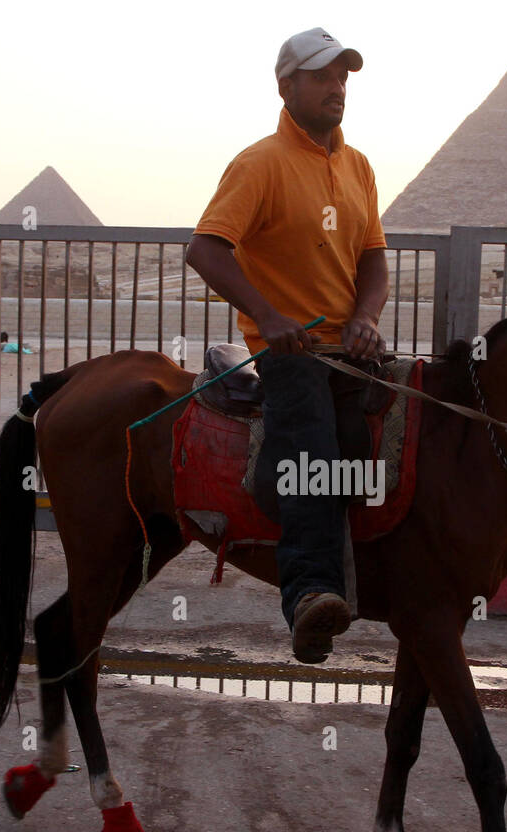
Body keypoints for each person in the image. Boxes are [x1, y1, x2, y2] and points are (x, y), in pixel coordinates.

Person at [185, 27, 389, 663]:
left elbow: (374, 262)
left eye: (343, 77)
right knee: (315, 449)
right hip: (291, 354)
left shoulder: (358, 167)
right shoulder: (260, 164)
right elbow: (205, 249)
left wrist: (366, 317)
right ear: (287, 86)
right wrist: (269, 317)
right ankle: (308, 593)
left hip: (349, 349)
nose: (338, 87)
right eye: (324, 75)